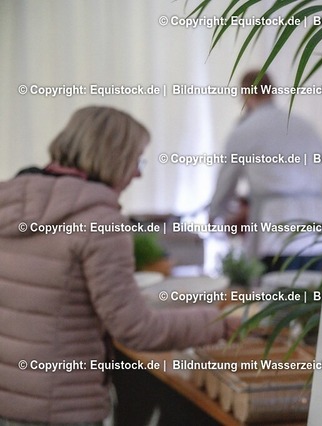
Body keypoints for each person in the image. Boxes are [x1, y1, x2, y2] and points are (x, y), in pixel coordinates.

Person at [0, 106, 228, 425]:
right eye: (137, 161)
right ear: (115, 157)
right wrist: (220, 323)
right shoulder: (101, 223)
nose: (138, 174)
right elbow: (137, 329)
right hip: (62, 408)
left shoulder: (10, 203)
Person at [209, 70, 322, 273]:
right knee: (311, 292)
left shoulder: (245, 130)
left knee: (276, 292)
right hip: (319, 232)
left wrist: (214, 215)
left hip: (277, 235)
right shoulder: (306, 126)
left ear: (246, 95)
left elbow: (226, 182)